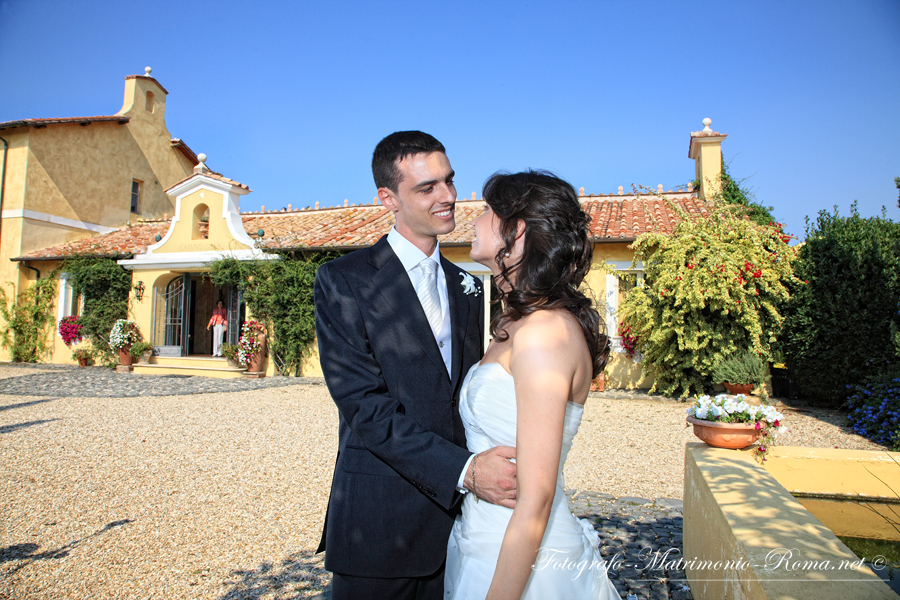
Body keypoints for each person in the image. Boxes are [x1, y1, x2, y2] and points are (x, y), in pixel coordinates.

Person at [314, 131, 518, 600]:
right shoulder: (344, 280)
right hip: (381, 524)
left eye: (449, 181)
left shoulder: (471, 285)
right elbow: (363, 407)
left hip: (464, 531)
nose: (448, 197)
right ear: (388, 198)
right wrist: (466, 471)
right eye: (427, 188)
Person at [444, 170, 620, 599]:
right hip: (482, 537)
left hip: (523, 564)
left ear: (516, 230)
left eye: (487, 210)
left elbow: (536, 499)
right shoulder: (516, 321)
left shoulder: (544, 333)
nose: (474, 217)